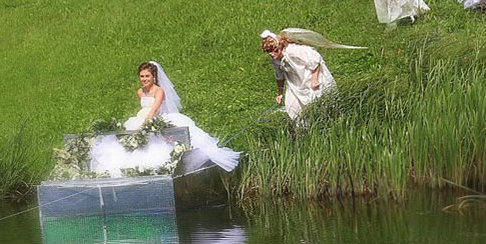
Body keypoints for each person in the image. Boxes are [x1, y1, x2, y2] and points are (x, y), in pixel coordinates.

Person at [90, 61, 240, 175]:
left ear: (154, 76)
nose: (144, 79)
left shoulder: (159, 90)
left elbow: (154, 109)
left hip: (156, 118)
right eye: (142, 76)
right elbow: (144, 108)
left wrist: (146, 124)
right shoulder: (140, 92)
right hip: (143, 117)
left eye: (147, 76)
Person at [260, 29, 338, 120]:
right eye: (269, 51)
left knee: (317, 103)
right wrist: (280, 93)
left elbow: (316, 60)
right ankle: (302, 129)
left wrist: (314, 79)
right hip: (296, 84)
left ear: (279, 46)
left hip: (310, 78)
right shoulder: (276, 60)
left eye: (274, 50)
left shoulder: (293, 51)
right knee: (292, 107)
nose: (272, 54)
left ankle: (325, 122)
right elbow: (280, 76)